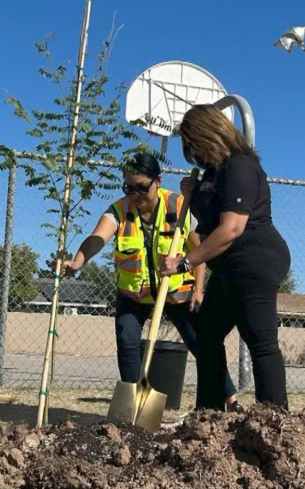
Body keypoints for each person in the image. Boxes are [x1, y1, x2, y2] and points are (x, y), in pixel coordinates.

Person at [62, 153, 242, 411]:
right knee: (127, 341)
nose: (136, 194)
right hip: (134, 295)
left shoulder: (178, 206)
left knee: (203, 344)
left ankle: (230, 399)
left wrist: (199, 289)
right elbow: (96, 238)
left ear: (157, 181)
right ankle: (134, 407)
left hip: (176, 292)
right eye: (129, 187)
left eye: (142, 187)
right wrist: (78, 261)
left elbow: (198, 251)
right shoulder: (119, 211)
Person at [159, 104, 291, 411]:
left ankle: (274, 422)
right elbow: (209, 223)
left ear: (210, 133)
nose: (191, 152)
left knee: (260, 340)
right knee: (206, 334)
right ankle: (209, 414)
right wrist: (191, 193)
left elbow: (231, 228)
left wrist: (185, 262)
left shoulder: (240, 165)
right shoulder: (212, 172)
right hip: (229, 266)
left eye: (193, 143)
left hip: (255, 259)